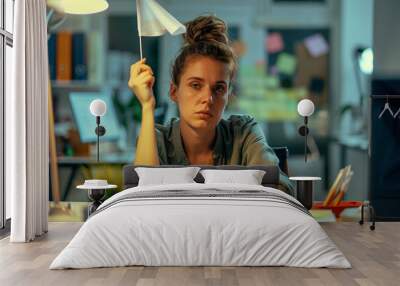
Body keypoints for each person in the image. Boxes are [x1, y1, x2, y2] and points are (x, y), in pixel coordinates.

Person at [128, 15, 293, 195]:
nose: (208, 98)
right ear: (174, 92)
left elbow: (280, 190)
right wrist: (147, 106)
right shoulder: (156, 139)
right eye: (196, 85)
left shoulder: (244, 133)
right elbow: (139, 198)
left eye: (219, 88)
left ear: (228, 95)